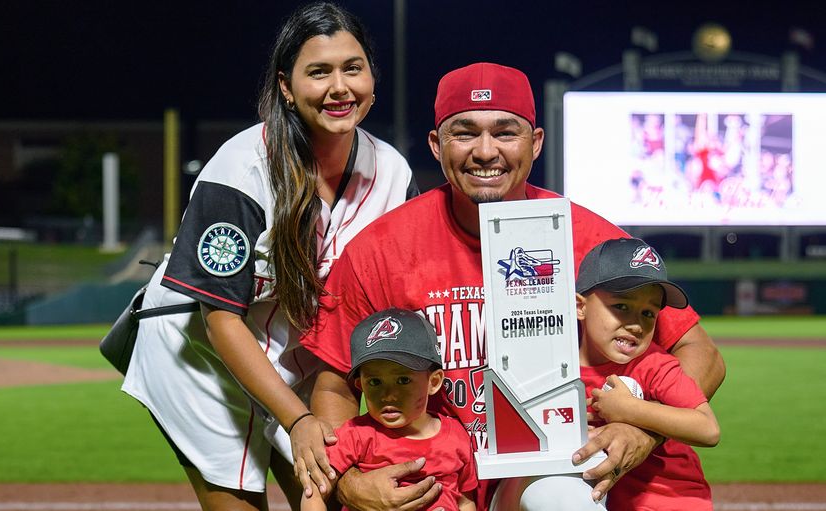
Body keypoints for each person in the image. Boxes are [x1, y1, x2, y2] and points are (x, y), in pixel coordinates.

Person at [300, 62, 726, 510]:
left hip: (566, 465)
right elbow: (335, 386)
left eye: (505, 132)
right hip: (443, 482)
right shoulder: (381, 249)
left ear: (535, 143)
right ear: (436, 145)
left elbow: (703, 355)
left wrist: (643, 428)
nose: (486, 151)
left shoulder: (588, 239)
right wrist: (349, 481)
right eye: (464, 133)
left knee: (561, 498)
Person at [121, 3, 418, 510]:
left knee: (338, 495)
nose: (339, 87)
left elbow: (365, 307)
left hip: (296, 357)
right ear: (286, 86)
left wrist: (323, 415)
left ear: (372, 75)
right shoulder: (242, 168)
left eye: (353, 67)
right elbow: (220, 319)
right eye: (318, 72)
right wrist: (299, 420)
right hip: (201, 358)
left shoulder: (392, 172)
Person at [576, 237, 720, 510]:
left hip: (670, 496)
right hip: (604, 499)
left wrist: (629, 410)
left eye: (648, 313)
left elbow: (708, 429)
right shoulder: (560, 366)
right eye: (621, 306)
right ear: (580, 306)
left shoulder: (654, 364)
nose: (636, 325)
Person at [301, 308, 477, 511]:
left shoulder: (456, 436)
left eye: (403, 380)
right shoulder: (355, 436)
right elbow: (313, 492)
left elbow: (465, 501)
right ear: (361, 386)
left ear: (434, 382)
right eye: (375, 382)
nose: (388, 394)